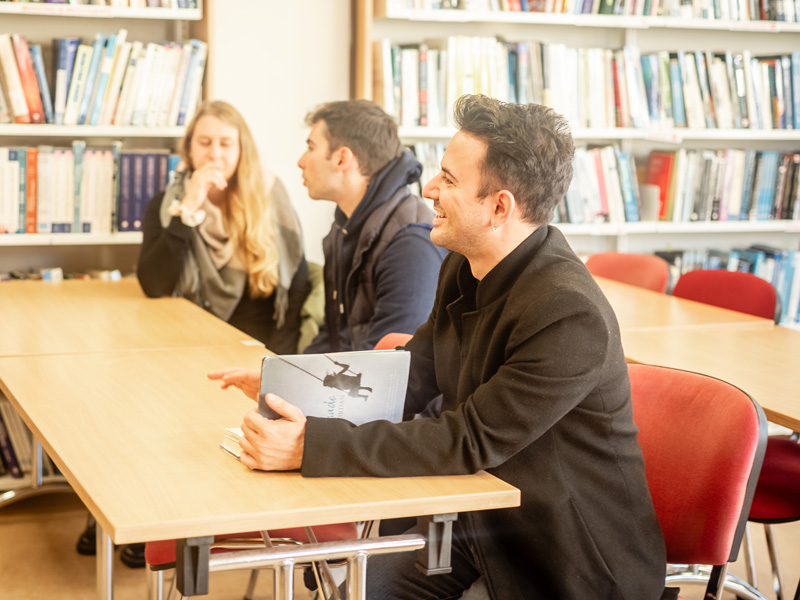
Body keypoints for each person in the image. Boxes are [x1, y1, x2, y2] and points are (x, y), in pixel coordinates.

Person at [208, 95, 668, 599]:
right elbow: (410, 374)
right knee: (353, 592)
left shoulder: (569, 314)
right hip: (482, 524)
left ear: (499, 208)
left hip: (563, 560)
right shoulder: (465, 263)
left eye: (448, 179)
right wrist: (295, 386)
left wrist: (309, 445)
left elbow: (467, 439)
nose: (428, 188)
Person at [77, 100, 310, 568]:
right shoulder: (167, 203)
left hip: (248, 348)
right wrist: (189, 210)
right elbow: (155, 284)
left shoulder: (269, 196)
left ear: (242, 149)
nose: (215, 154)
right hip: (181, 339)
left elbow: (296, 287)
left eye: (226, 144)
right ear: (188, 150)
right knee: (136, 401)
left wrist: (275, 369)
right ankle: (132, 513)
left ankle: (173, 522)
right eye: (204, 143)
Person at [299, 99, 447, 354]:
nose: (301, 161)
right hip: (350, 387)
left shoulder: (411, 245)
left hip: (378, 390)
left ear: (342, 159)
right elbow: (333, 337)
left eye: (311, 147)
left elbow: (390, 368)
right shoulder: (342, 230)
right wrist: (281, 377)